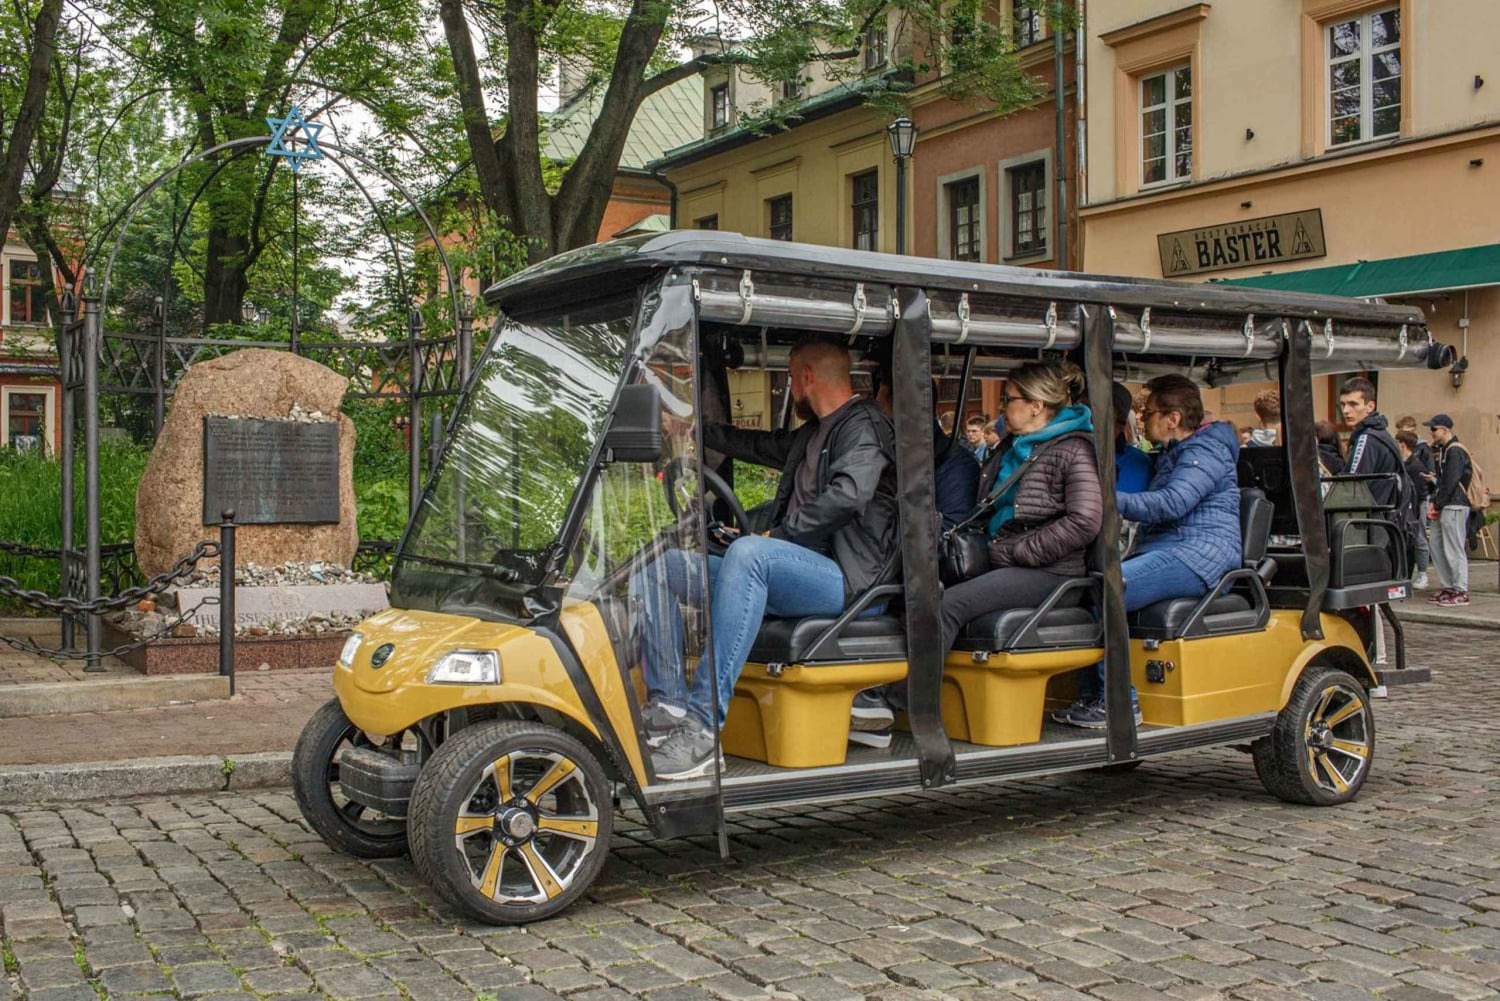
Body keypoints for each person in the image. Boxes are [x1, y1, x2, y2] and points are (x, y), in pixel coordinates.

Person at [636, 337, 899, 779]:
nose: (790, 386)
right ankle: (668, 707)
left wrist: (776, 534)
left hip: (850, 581)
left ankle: (702, 729)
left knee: (751, 553)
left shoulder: (865, 427)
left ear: (806, 377)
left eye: (791, 377)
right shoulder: (814, 433)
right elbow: (757, 444)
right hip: (799, 569)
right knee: (661, 567)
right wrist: (691, 430)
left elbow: (850, 496)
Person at [852, 362, 1102, 743]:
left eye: (1009, 400)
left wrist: (1023, 552)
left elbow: (1085, 521)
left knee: (948, 604)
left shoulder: (1072, 449)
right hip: (1004, 558)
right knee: (915, 587)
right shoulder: (1012, 446)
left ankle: (889, 702)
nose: (1003, 408)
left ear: (1037, 405)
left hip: (1050, 572)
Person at [1054, 375, 1240, 729]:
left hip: (1200, 554)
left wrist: (1105, 499)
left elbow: (1171, 504)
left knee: (1110, 588)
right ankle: (1094, 696)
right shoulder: (1178, 452)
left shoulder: (1204, 453)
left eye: (1149, 412)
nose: (1141, 419)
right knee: (1089, 586)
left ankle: (1119, 701)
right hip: (1177, 549)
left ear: (1173, 418)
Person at [871, 366, 979, 530]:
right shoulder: (895, 455)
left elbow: (951, 532)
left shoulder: (955, 465)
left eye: (882, 413)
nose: (878, 422)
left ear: (904, 412)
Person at [1424, 414, 1472, 607]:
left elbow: (1451, 481)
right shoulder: (1445, 451)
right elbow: (1445, 482)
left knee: (1453, 548)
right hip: (1446, 503)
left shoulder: (1455, 451)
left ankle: (1460, 589)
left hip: (1455, 504)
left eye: (1434, 429)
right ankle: (1449, 586)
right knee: (1437, 546)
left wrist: (1437, 503)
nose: (1432, 433)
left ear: (1444, 429)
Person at [1395, 429, 1431, 589]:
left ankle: (1423, 573)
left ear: (1402, 445)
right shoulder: (1401, 464)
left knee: (1419, 538)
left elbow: (1419, 491)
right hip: (1406, 505)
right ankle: (1406, 574)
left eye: (1397, 442)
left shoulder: (1415, 466)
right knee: (1409, 540)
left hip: (1417, 505)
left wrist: (1414, 513)